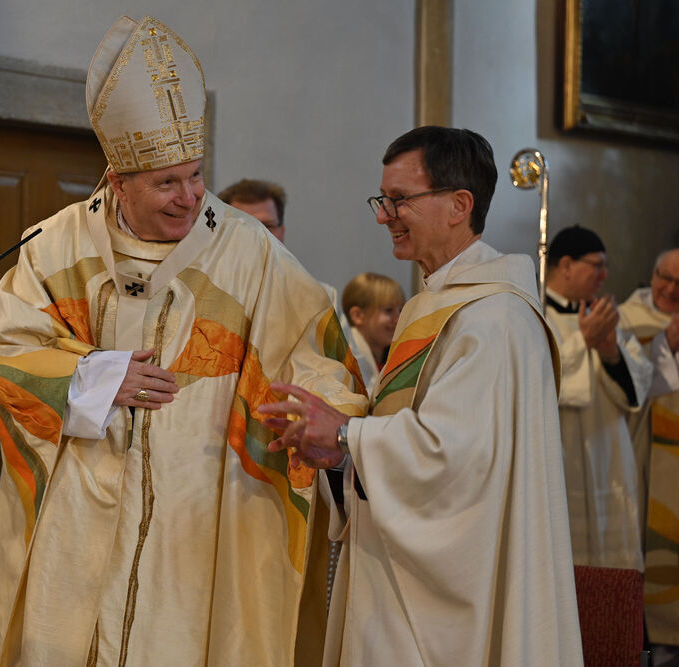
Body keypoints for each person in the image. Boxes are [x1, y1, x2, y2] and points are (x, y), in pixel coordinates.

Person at [0, 15, 366, 666]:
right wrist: (97, 378)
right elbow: (4, 354)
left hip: (203, 523)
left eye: (195, 175)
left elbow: (315, 349)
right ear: (118, 180)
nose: (189, 198)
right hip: (81, 521)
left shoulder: (250, 251)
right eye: (166, 183)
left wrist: (328, 421)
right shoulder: (54, 247)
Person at [259, 126, 582, 666]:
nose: (384, 215)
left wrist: (346, 435)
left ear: (459, 205)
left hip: (448, 607)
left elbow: (455, 460)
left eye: (400, 199)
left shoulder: (496, 318)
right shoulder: (430, 306)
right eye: (383, 199)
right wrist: (338, 457)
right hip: (394, 577)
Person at [544, 225, 652, 572]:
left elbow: (638, 387)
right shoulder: (533, 314)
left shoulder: (604, 319)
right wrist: (582, 343)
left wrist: (610, 353)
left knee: (610, 577)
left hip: (610, 463)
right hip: (563, 462)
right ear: (566, 265)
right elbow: (536, 383)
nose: (605, 275)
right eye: (597, 265)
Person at [618, 248, 679, 658]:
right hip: (642, 464)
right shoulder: (627, 321)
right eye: (664, 278)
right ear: (652, 275)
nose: (670, 289)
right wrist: (664, 345)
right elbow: (620, 391)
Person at [219, 178, 345, 322]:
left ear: (282, 232)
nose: (260, 235)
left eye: (268, 226)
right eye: (246, 226)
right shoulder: (204, 295)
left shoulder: (320, 298)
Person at [339, 272, 404, 389]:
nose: (399, 319)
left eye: (401, 310)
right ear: (358, 315)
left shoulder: (393, 360)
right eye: (388, 310)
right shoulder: (345, 362)